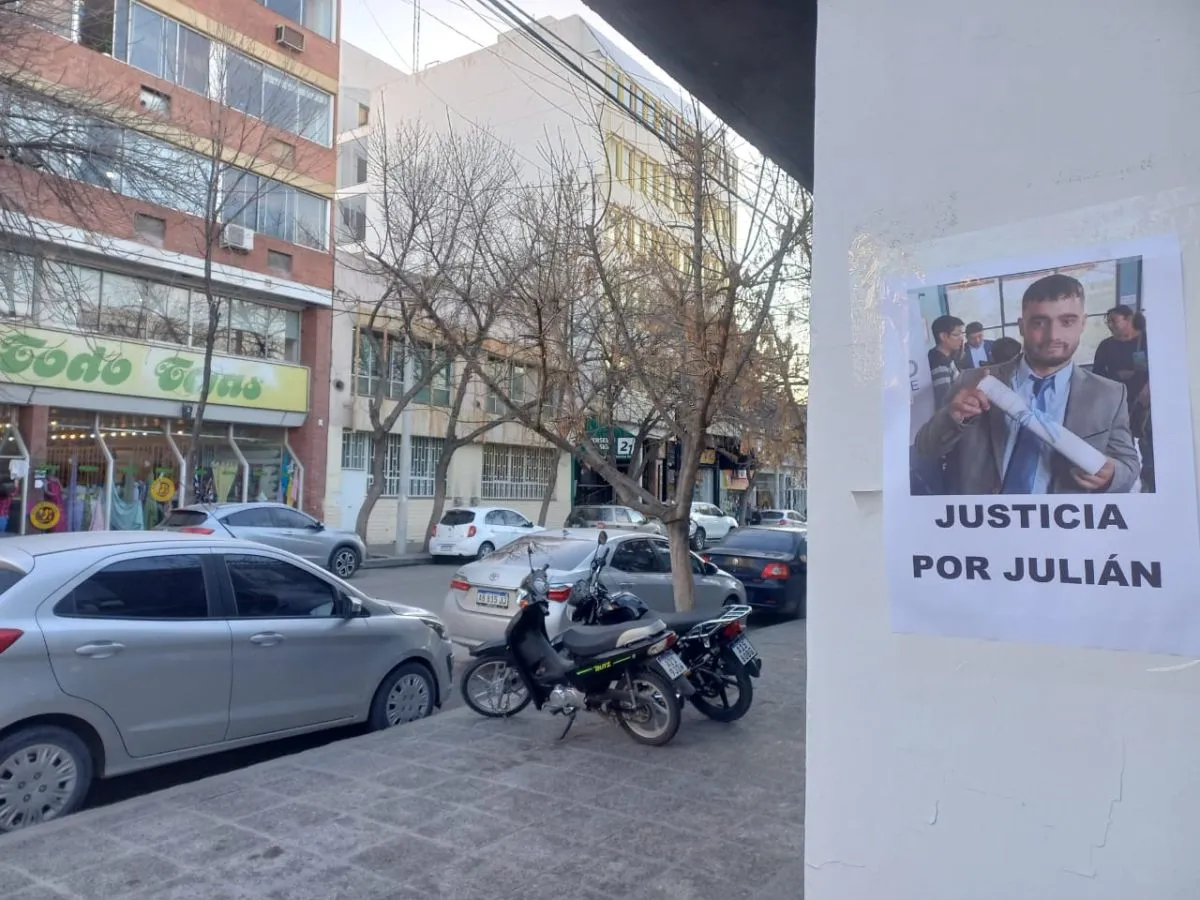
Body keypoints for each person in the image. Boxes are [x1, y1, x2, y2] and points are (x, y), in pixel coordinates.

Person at [913, 273, 1139, 494]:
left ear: (1082, 323)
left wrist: (1112, 474)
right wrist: (951, 418)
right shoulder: (972, 381)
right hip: (982, 517)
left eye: (1067, 322)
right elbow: (925, 449)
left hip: (1061, 517)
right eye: (1039, 323)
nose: (1053, 336)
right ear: (1021, 326)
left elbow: (1128, 465)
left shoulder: (1109, 394)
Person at [1093, 305, 1153, 491]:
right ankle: (1122, 486)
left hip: (1145, 403)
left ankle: (1150, 486)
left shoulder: (1147, 340)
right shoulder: (1106, 346)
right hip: (1118, 404)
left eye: (1114, 320)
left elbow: (1161, 369)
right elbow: (1097, 374)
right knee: (1121, 446)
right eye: (1108, 321)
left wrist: (1147, 390)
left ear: (1128, 320)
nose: (1110, 325)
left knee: (1149, 446)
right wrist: (1116, 376)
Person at [927, 314, 965, 407]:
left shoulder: (948, 357)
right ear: (943, 336)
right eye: (956, 335)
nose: (962, 338)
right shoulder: (940, 365)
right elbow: (944, 401)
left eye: (962, 334)